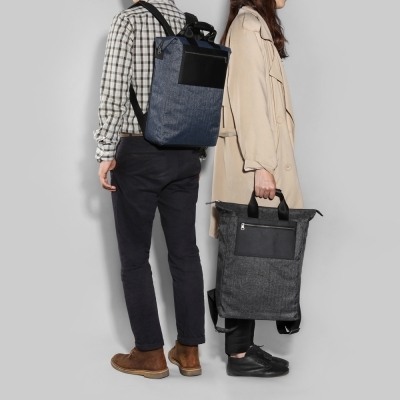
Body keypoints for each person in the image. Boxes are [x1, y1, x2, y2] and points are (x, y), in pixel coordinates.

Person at [94, 0, 204, 379]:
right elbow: (199, 94)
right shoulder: (189, 22)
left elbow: (113, 92)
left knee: (135, 257)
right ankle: (189, 352)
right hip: (186, 152)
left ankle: (150, 353)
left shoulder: (128, 21)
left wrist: (105, 152)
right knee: (185, 253)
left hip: (140, 154)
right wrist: (196, 153)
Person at [210, 0, 304, 377]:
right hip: (254, 162)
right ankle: (238, 355)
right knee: (246, 252)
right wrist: (261, 165)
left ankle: (242, 348)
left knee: (251, 252)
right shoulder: (249, 27)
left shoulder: (253, 26)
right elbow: (250, 101)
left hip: (258, 158)